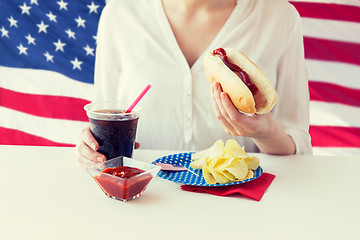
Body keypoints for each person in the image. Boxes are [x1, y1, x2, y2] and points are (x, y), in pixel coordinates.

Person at [76, 0, 313, 168]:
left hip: (239, 207)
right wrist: (93, 146)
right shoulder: (120, 13)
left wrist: (264, 132)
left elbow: (298, 143)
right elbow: (105, 115)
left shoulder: (280, 16)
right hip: (144, 199)